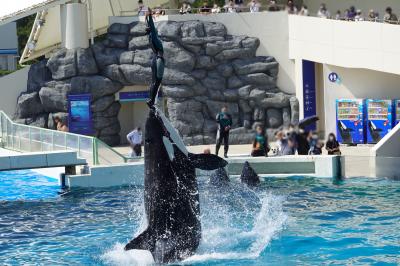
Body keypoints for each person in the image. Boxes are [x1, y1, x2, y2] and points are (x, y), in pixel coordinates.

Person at [145, 9, 164, 108]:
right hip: (159, 60)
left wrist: (147, 18)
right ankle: (152, 101)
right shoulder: (155, 38)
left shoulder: (150, 37)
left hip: (154, 59)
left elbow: (149, 28)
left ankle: (150, 99)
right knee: (157, 82)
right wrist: (150, 16)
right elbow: (151, 27)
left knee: (153, 82)